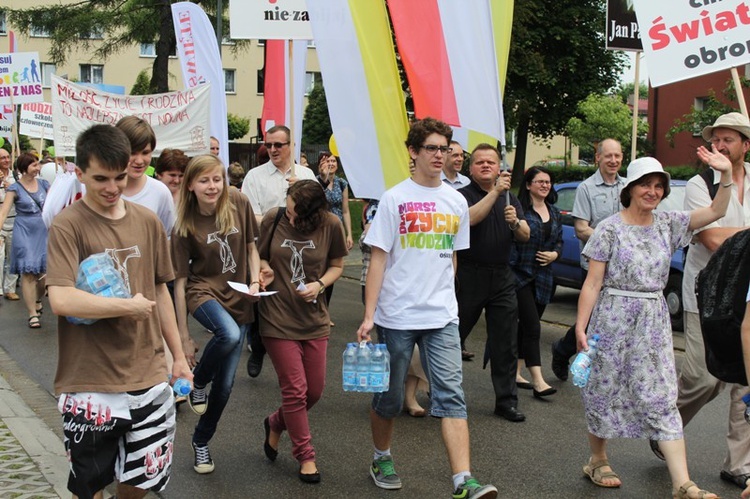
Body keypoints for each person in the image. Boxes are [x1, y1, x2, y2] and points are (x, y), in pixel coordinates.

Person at [46, 124, 192, 499]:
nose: (112, 187)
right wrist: (127, 306)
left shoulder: (146, 221)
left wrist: (178, 356)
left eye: (120, 177)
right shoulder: (68, 226)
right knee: (90, 487)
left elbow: (160, 289)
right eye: (100, 179)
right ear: (79, 174)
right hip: (90, 380)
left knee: (142, 482)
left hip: (149, 373)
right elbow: (60, 299)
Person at [575, 154, 732, 498]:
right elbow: (592, 283)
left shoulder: (668, 224)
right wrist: (580, 328)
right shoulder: (609, 228)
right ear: (630, 188)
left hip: (653, 320)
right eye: (646, 184)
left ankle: (682, 483)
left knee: (662, 395)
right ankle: (597, 459)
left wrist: (726, 174)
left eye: (659, 185)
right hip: (613, 316)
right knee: (603, 389)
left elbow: (716, 211)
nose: (653, 191)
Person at [356, 118, 497, 498]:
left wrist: (447, 298)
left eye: (446, 147)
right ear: (414, 152)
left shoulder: (455, 200)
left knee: (451, 393)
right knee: (388, 397)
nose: (441, 154)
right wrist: (369, 316)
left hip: (441, 318)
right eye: (433, 148)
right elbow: (379, 260)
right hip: (396, 316)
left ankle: (463, 480)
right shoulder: (394, 198)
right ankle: (380, 456)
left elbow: (451, 256)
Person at [670, 112, 750, 491]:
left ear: (745, 145)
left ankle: (739, 464)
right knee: (703, 378)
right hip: (708, 296)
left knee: (745, 384)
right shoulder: (700, 184)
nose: (719, 145)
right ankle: (667, 430)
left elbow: (729, 237)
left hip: (747, 298)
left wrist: (738, 233)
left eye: (728, 139)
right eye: (715, 139)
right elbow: (714, 239)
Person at [171, 154, 262, 474]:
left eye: (217, 179)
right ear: (191, 185)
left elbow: (251, 246)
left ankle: (201, 441)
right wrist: (183, 337)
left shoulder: (237, 200)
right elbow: (180, 283)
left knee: (224, 390)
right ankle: (198, 382)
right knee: (230, 334)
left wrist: (254, 280)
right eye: (204, 180)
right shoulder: (183, 225)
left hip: (239, 295)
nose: (212, 186)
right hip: (203, 292)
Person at [258, 179, 347, 484]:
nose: (291, 217)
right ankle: (305, 456)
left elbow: (337, 265)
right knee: (295, 391)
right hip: (277, 318)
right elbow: (259, 254)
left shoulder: (331, 225)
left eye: (297, 214)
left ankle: (275, 421)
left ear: (315, 214)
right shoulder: (275, 217)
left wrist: (320, 284)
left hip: (314, 320)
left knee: (314, 392)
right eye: (290, 209)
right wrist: (263, 267)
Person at [456, 143, 531, 422]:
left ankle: (506, 401)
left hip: (502, 277)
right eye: (479, 162)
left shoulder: (510, 198)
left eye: (491, 162)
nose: (486, 166)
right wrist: (497, 191)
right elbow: (470, 220)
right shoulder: (461, 196)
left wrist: (514, 223)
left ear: (499, 166)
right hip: (469, 275)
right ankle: (442, 392)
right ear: (471, 168)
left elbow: (525, 234)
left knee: (505, 342)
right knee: (453, 337)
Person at [240, 125, 316, 377]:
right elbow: (251, 214)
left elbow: (319, 213)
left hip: (299, 249)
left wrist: (302, 193)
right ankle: (259, 345)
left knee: (297, 298)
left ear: (290, 146)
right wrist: (280, 220)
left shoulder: (305, 174)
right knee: (263, 298)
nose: (272, 149)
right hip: (266, 247)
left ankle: (296, 353)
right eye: (268, 145)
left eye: (278, 145)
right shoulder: (255, 176)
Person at [550, 138, 625, 380]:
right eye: (608, 156)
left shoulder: (628, 186)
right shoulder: (586, 188)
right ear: (598, 158)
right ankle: (563, 350)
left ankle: (609, 369)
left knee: (615, 319)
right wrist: (613, 240)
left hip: (623, 267)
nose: (613, 161)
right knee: (593, 318)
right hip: (594, 266)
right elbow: (581, 228)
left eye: (617, 156)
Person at [510, 166, 561, 397]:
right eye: (540, 181)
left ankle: (516, 371)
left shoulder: (554, 211)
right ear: (529, 185)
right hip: (521, 275)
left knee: (525, 328)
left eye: (548, 182)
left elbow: (558, 240)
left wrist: (555, 255)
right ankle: (539, 381)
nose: (544, 185)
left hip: (544, 278)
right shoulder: (520, 210)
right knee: (532, 326)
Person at [0, 153, 50, 328]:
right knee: (28, 273)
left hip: (43, 230)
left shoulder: (45, 184)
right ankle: (32, 314)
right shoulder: (14, 188)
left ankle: (37, 299)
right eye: (34, 165)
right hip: (24, 231)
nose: (38, 167)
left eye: (38, 164)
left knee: (43, 277)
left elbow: (56, 205)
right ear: (23, 168)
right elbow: (3, 212)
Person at [116, 116, 176, 235]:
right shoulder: (98, 189)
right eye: (132, 153)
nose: (139, 161)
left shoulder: (160, 192)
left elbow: (168, 237)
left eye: (145, 153)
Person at [0, 147, 19, 301]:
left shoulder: (16, 176)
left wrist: (12, 189)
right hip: (0, 222)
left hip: (15, 221)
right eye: (2, 158)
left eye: (8, 157)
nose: (6, 160)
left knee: (12, 258)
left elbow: (24, 196)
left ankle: (10, 288)